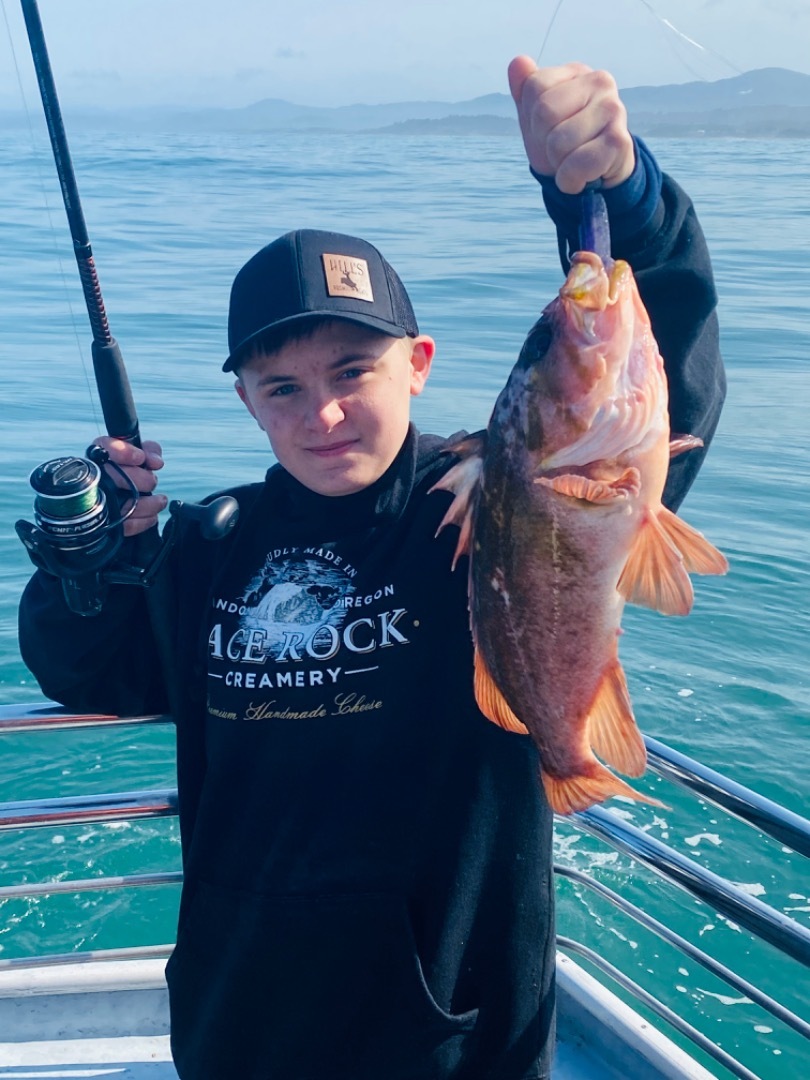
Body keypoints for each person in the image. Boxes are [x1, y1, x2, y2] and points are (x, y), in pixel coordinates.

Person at [18, 57, 725, 1080]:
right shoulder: (209, 545)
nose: (326, 413)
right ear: (248, 404)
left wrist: (621, 200)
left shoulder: (492, 494)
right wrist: (90, 562)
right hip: (241, 1020)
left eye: (354, 371)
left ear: (420, 362)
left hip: (455, 1031)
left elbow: (634, 399)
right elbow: (89, 669)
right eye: (284, 387)